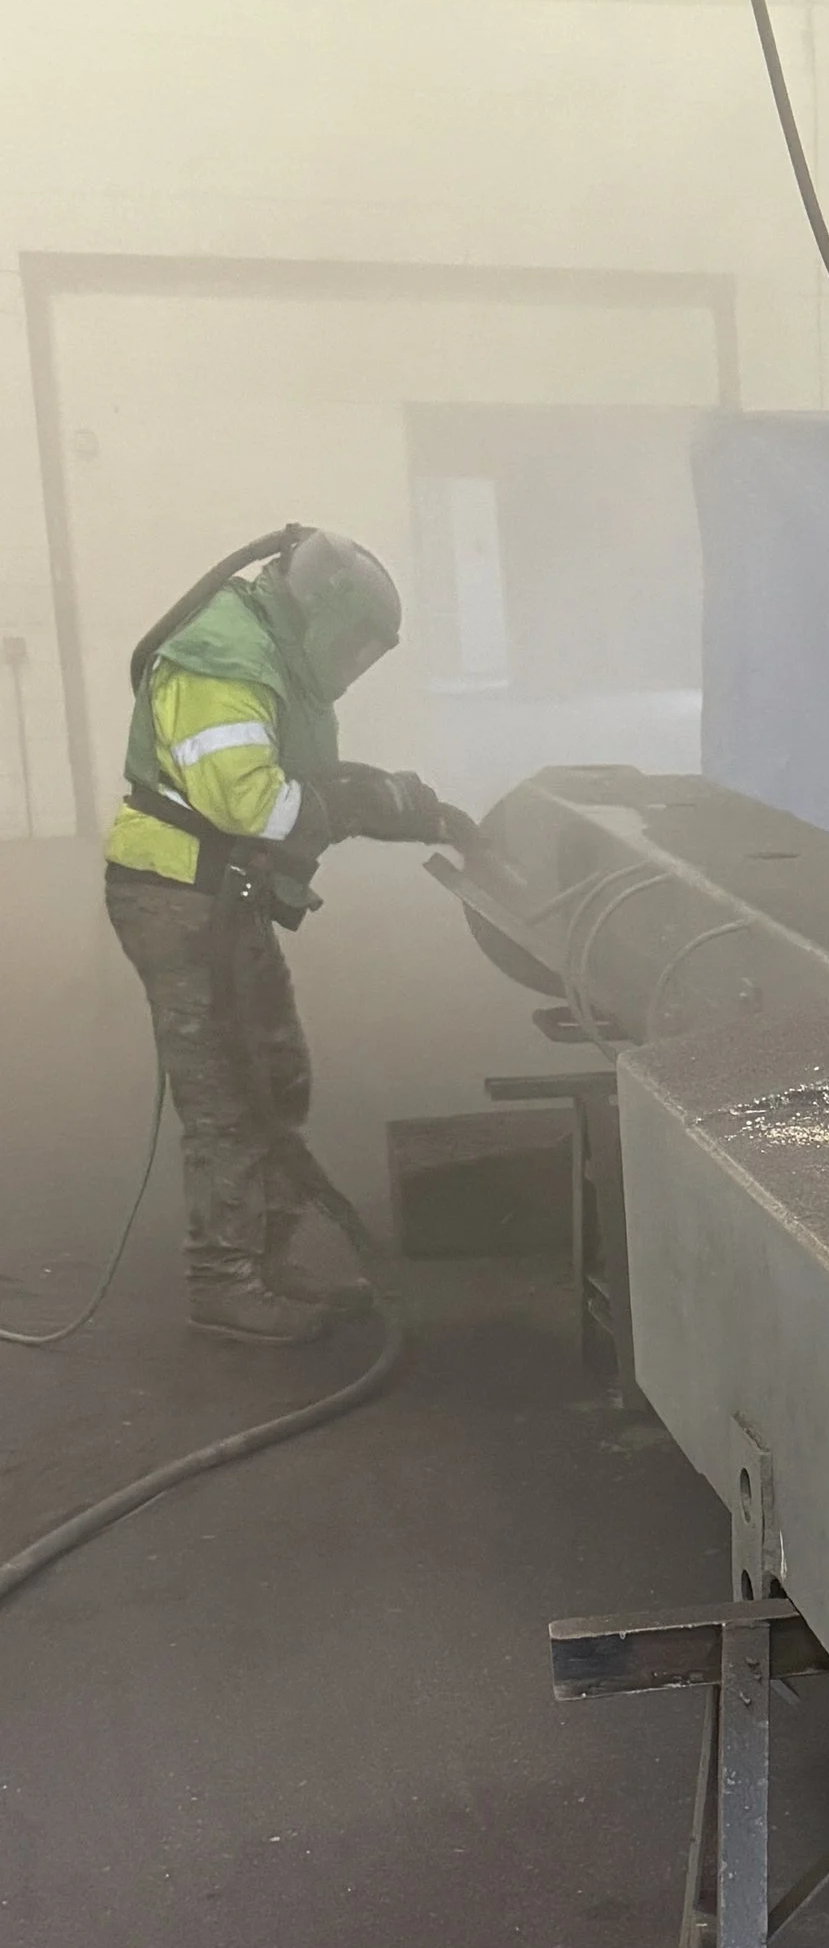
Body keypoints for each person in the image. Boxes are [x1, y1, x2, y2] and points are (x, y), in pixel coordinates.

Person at [103, 526, 472, 1346]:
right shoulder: (221, 657)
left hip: (221, 897)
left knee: (276, 1073)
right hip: (176, 899)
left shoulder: (271, 641)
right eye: (353, 650)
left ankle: (266, 1262)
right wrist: (354, 807)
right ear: (324, 617)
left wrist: (391, 801)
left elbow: (297, 778)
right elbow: (250, 803)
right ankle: (223, 1281)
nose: (351, 669)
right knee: (230, 1093)